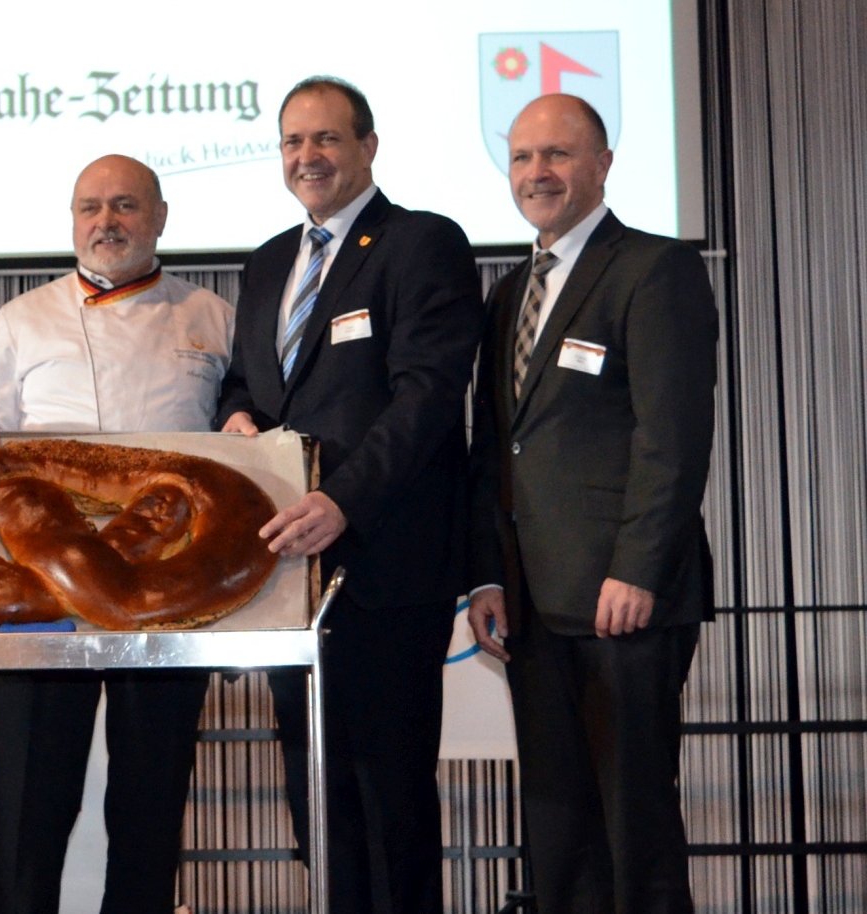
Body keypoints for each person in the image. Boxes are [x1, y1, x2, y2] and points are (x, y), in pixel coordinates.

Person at [0, 153, 234, 914]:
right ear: (72, 222)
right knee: (29, 804)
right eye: (90, 208)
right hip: (46, 590)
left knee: (150, 803)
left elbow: (244, 429)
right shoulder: (22, 316)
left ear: (159, 217)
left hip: (164, 585)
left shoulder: (212, 314)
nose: (107, 222)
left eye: (125, 205)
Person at [217, 76, 481, 914]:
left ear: (368, 147)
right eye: (293, 141)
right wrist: (234, 418)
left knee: (389, 802)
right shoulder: (267, 263)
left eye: (326, 138)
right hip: (290, 577)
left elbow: (427, 397)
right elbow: (250, 381)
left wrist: (344, 501)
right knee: (317, 801)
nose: (308, 156)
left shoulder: (421, 243)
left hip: (383, 566)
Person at [467, 93, 716, 914]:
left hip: (623, 601)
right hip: (533, 606)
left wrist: (637, 569)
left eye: (558, 154)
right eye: (522, 157)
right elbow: (496, 449)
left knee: (634, 828)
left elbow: (671, 437)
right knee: (559, 830)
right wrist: (488, 577)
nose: (536, 172)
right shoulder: (509, 294)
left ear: (603, 164)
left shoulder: (654, 268)